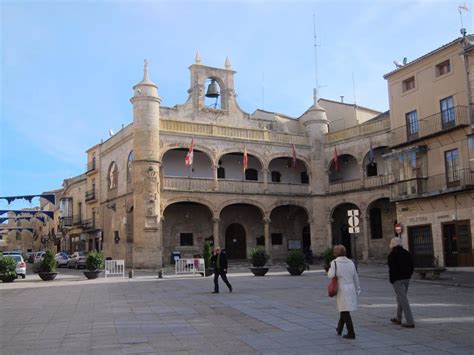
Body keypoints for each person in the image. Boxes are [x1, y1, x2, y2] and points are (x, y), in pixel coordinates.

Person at [327, 244, 360, 339]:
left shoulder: (335, 263)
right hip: (351, 288)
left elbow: (330, 275)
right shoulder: (351, 262)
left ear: (335, 253)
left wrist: (329, 269)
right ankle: (339, 328)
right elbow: (355, 276)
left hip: (342, 289)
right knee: (344, 308)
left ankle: (351, 332)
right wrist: (358, 288)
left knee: (345, 311)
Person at [388, 237, 415, 328]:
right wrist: (409, 275)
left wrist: (392, 280)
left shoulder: (392, 255)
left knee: (403, 300)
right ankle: (398, 318)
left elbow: (392, 269)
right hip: (406, 278)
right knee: (401, 298)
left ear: (393, 244)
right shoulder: (406, 253)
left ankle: (410, 321)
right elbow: (412, 265)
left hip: (398, 280)